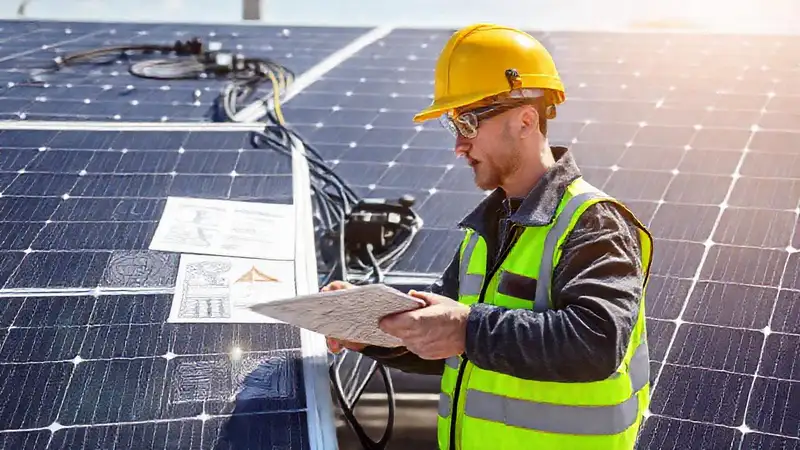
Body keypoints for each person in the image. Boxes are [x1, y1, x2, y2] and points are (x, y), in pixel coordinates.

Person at [324, 23, 654, 450]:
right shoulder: (486, 231)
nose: (459, 145)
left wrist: (467, 328)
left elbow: (597, 341)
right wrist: (367, 328)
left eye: (467, 121)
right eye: (453, 125)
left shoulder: (592, 222)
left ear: (526, 120)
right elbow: (446, 340)